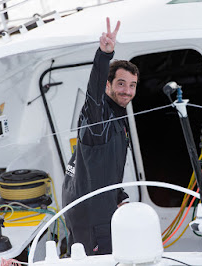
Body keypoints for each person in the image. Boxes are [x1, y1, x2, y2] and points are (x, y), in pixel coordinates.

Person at [62, 17, 139, 255]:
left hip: (97, 203)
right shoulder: (97, 115)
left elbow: (106, 166)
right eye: (121, 83)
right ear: (107, 85)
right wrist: (104, 54)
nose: (127, 91)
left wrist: (119, 195)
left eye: (133, 85)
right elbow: (93, 93)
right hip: (90, 216)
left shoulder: (118, 115)